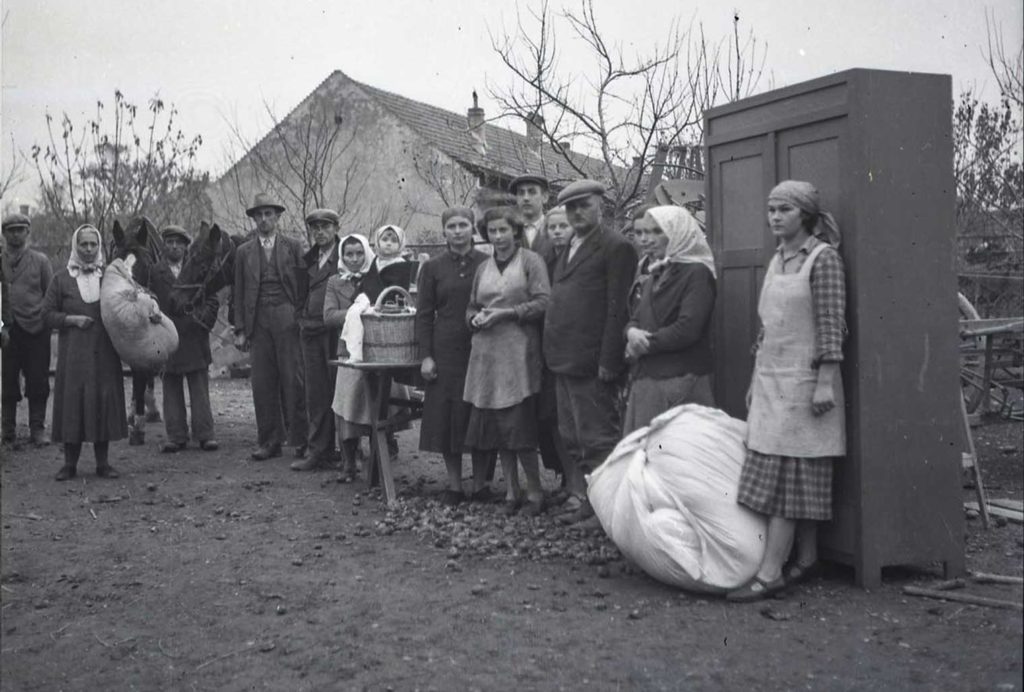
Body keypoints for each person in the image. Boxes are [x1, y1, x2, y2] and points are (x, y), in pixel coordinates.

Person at [727, 180, 847, 602]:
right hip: (771, 381)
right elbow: (768, 329)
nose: (775, 217)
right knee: (786, 476)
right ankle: (808, 558)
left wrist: (825, 382)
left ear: (805, 215)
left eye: (785, 210)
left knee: (791, 480)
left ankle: (770, 573)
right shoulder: (777, 260)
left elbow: (832, 325)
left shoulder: (823, 259)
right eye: (771, 209)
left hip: (806, 385)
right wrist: (753, 382)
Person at [544, 179, 638, 525]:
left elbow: (618, 310)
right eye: (571, 207)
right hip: (563, 359)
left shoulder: (616, 247)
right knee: (573, 437)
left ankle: (608, 514)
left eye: (584, 205)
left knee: (598, 438)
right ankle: (590, 502)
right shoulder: (568, 244)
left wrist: (609, 361)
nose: (577, 212)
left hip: (592, 364)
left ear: (601, 205)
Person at [464, 206, 551, 516]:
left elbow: (543, 302)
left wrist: (508, 314)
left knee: (520, 424)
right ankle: (512, 491)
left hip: (518, 352)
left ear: (515, 231)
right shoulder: (483, 268)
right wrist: (474, 319)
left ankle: (535, 492)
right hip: (487, 354)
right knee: (500, 425)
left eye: (503, 230)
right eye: (492, 231)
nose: (498, 236)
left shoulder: (531, 262)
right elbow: (472, 306)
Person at [416, 207, 493, 505]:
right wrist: (426, 356)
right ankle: (454, 485)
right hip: (445, 348)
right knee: (448, 416)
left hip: (482, 346)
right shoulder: (433, 268)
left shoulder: (488, 263)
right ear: (444, 231)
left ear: (472, 228)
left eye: (463, 225)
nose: (458, 231)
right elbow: (423, 315)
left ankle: (481, 484)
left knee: (479, 413)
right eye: (452, 226)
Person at [622, 206, 717, 433]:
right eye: (643, 232)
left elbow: (688, 328)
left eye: (657, 232)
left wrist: (643, 346)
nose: (647, 239)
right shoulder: (655, 274)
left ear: (677, 233)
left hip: (680, 381)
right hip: (648, 381)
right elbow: (635, 318)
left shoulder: (697, 273)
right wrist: (631, 333)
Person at [43, 225, 127, 480]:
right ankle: (70, 465)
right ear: (75, 246)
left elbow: (129, 302)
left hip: (104, 354)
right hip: (75, 356)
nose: (89, 250)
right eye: (84, 245)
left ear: (99, 246)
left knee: (102, 402)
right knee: (73, 404)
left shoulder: (111, 277)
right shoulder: (60, 279)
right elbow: (46, 315)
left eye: (93, 244)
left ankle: (103, 464)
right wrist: (71, 320)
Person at [233, 193, 309, 461]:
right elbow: (239, 292)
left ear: (277, 217)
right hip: (258, 321)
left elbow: (303, 287)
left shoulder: (294, 246)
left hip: (288, 318)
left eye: (269, 214)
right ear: (254, 219)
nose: (264, 219)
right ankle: (269, 441)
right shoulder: (243, 252)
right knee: (262, 383)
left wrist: (302, 319)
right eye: (259, 215)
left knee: (294, 379)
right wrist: (240, 329)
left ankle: (301, 440)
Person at [150, 224, 219, 454]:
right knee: (171, 386)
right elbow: (146, 299)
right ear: (164, 246)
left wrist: (203, 319)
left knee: (199, 387)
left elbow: (212, 298)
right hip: (167, 336)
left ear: (186, 246)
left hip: (194, 334)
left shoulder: (198, 267)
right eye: (169, 242)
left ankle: (205, 434)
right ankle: (176, 435)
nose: (174, 247)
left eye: (179, 243)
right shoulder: (154, 272)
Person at [291, 209, 342, 471]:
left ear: (336, 228)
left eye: (325, 227)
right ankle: (318, 450)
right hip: (310, 332)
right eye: (315, 228)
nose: (320, 232)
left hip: (338, 333)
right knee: (315, 392)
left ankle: (346, 452)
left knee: (341, 390)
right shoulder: (308, 259)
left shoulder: (347, 255)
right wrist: (301, 318)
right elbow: (299, 293)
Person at [324, 233, 376, 481]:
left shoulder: (375, 277)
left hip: (377, 350)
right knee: (345, 407)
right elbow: (329, 315)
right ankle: (348, 463)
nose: (354, 259)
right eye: (349, 254)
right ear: (342, 256)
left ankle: (377, 461)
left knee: (376, 405)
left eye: (359, 253)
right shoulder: (335, 282)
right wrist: (359, 312)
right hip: (347, 351)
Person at [1, 213, 54, 448]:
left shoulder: (40, 261)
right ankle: (8, 431)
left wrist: (43, 320)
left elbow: (50, 295)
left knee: (38, 380)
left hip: (36, 329)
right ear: (3, 234)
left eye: (20, 229)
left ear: (28, 232)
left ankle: (37, 429)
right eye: (11, 230)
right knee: (8, 380)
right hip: (8, 331)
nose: (15, 234)